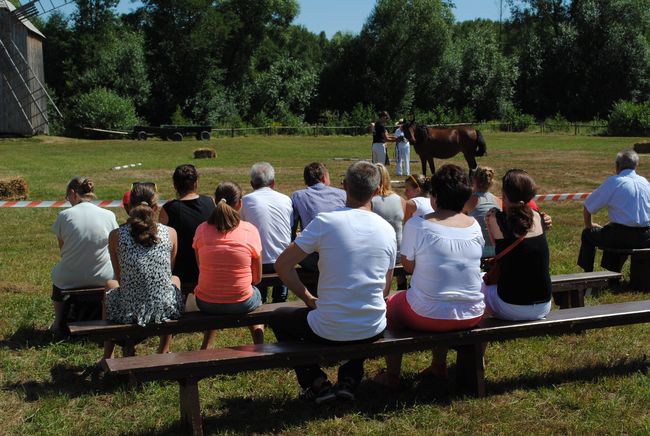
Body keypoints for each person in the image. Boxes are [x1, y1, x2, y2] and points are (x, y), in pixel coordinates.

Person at [271, 161, 397, 403]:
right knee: (360, 317)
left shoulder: (325, 222)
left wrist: (307, 298)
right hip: (373, 326)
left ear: (344, 187)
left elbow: (282, 265)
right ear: (377, 190)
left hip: (328, 328)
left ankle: (315, 381)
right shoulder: (387, 230)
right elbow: (385, 289)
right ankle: (350, 377)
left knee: (278, 317)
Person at [374, 164, 485, 389]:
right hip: (472, 313)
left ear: (434, 197)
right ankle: (438, 365)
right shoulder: (474, 225)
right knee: (437, 293)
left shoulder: (418, 224)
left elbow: (408, 266)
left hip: (425, 314)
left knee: (392, 307)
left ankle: (393, 375)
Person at [102, 183, 184, 360]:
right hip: (164, 309)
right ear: (156, 207)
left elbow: (119, 277)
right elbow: (168, 271)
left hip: (128, 309)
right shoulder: (170, 233)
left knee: (110, 284)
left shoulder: (116, 235)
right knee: (175, 279)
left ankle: (108, 355)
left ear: (129, 207)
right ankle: (164, 348)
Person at [193, 181, 265, 349]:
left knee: (218, 290)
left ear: (214, 201)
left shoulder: (201, 229)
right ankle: (259, 343)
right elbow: (257, 278)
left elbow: (200, 266)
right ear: (240, 204)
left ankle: (206, 346)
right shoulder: (250, 230)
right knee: (255, 294)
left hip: (205, 301)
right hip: (242, 301)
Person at [50, 177, 118, 336]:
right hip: (103, 276)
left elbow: (63, 249)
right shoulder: (109, 214)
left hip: (70, 277)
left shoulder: (64, 215)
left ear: (73, 194)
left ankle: (58, 321)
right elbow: (114, 245)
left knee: (57, 274)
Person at [484, 169, 552, 320]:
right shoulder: (538, 217)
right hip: (544, 305)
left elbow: (496, 248)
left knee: (478, 284)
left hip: (511, 305)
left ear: (504, 194)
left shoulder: (495, 218)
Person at [577, 149, 650, 272]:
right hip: (646, 237)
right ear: (636, 165)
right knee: (611, 231)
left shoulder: (614, 182)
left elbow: (588, 206)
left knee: (588, 234)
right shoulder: (645, 182)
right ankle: (613, 271)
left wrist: (589, 225)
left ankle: (588, 274)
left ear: (617, 166)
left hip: (620, 236)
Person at [241, 162, 293, 303]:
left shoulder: (245, 201)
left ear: (252, 184)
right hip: (282, 261)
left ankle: (261, 299)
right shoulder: (286, 200)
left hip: (258, 262)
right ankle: (280, 300)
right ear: (273, 183)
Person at [159, 164, 215, 293]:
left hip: (181, 272)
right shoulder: (210, 202)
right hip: (207, 266)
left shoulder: (168, 209)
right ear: (196, 183)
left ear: (175, 185)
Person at [291, 162, 346, 272]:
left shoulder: (298, 196)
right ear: (324, 177)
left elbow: (292, 231)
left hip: (314, 256)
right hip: (341, 254)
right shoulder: (342, 194)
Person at [372, 163, 406, 287]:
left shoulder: (370, 202)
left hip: (380, 253)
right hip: (399, 253)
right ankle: (401, 286)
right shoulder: (401, 199)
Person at [464, 166, 501, 257]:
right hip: (497, 248)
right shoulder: (497, 200)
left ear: (473, 180)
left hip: (479, 249)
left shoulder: (469, 200)